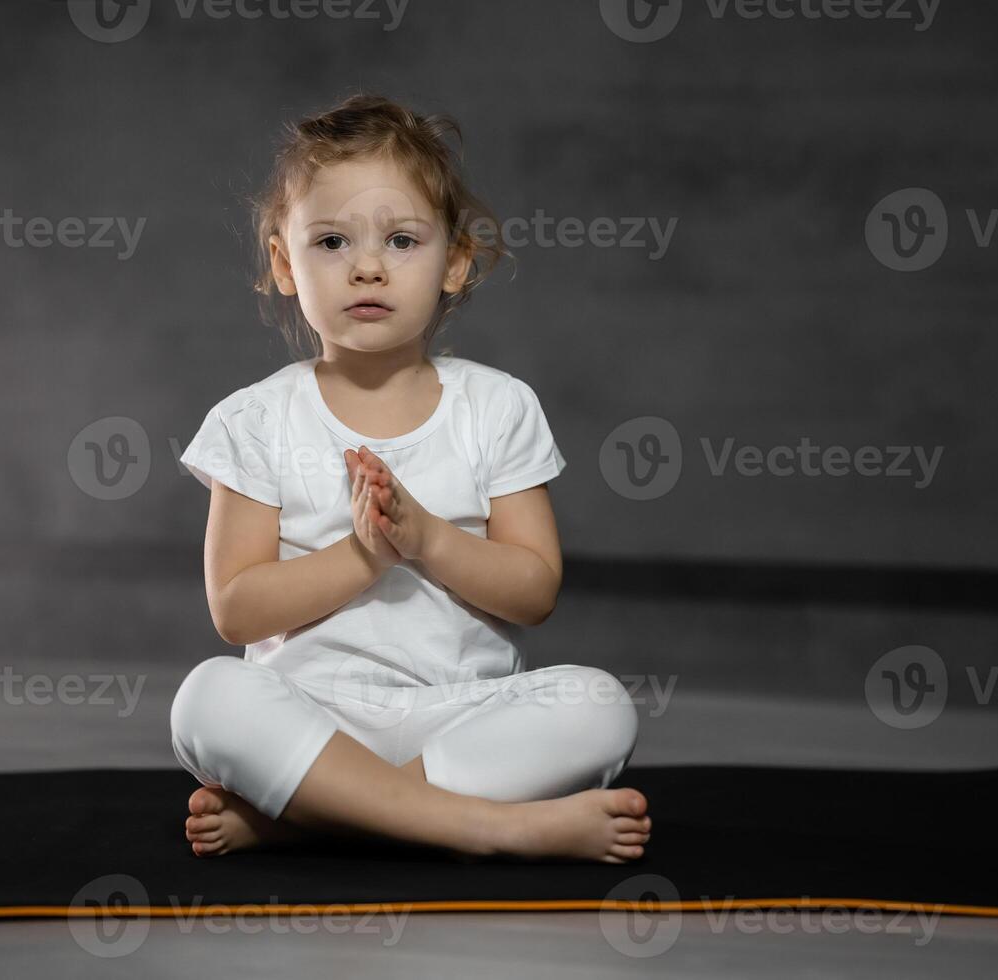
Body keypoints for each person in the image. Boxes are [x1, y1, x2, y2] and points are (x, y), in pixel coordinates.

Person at [170, 93, 650, 863]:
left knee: (598, 705)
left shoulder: (497, 407)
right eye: (330, 241)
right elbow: (237, 610)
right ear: (284, 264)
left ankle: (311, 814)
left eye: (400, 240)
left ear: (454, 261)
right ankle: (490, 827)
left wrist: (425, 538)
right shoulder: (254, 420)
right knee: (208, 699)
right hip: (314, 713)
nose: (366, 266)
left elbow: (534, 593)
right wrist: (367, 555)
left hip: (459, 714)